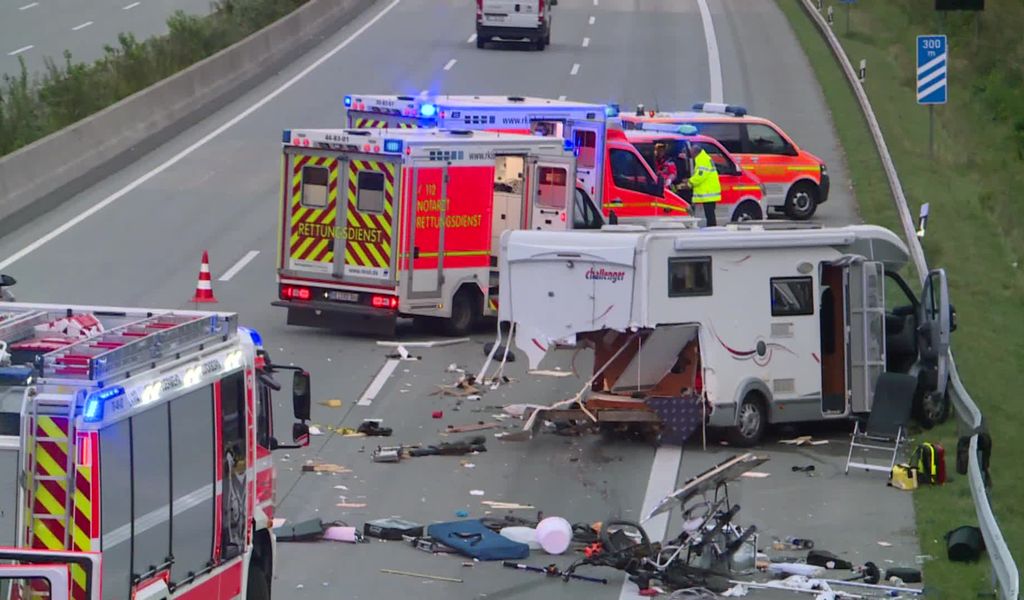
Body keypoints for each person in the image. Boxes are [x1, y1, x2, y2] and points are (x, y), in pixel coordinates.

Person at [687, 144, 721, 226]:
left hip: (708, 192)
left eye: (691, 153)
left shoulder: (703, 160)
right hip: (710, 190)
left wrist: (689, 182)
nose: (690, 155)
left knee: (710, 214)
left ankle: (712, 230)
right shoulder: (703, 158)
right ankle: (712, 228)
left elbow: (700, 176)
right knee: (710, 213)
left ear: (695, 153)